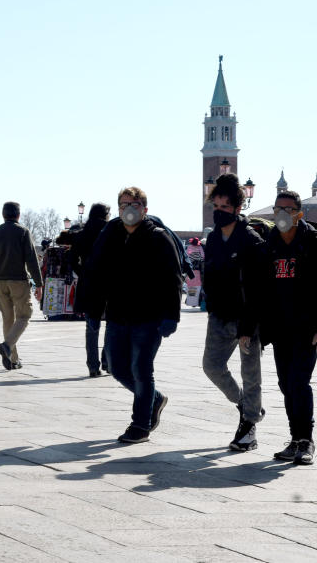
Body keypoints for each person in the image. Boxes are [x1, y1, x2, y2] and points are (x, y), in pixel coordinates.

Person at [79, 187, 180, 444]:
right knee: (115, 366)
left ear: (144, 209)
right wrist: (92, 308)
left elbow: (172, 279)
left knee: (141, 369)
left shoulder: (158, 237)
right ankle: (154, 399)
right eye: (124, 205)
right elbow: (96, 271)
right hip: (117, 314)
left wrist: (171, 316)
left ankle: (140, 425)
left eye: (134, 204)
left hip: (149, 316)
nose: (129, 209)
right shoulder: (110, 234)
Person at [259, 191, 317, 466]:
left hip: (308, 329)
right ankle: (295, 439)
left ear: (299, 213)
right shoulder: (270, 246)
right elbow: (262, 290)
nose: (282, 214)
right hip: (281, 329)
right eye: (278, 208)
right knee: (285, 384)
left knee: (298, 382)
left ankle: (306, 440)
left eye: (288, 209)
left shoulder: (316, 247)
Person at [201, 173, 266, 452]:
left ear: (238, 209)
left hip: (246, 317)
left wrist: (248, 326)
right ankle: (245, 405)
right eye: (215, 207)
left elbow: (258, 288)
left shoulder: (251, 241)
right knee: (211, 366)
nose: (218, 212)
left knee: (250, 372)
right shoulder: (213, 239)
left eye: (224, 208)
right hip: (219, 315)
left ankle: (249, 426)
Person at [0, 202, 44, 370]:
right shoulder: (23, 232)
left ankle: (12, 359)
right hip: (18, 280)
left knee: (7, 319)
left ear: (3, 215)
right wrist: (39, 284)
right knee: (25, 315)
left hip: (0, 281)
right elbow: (31, 259)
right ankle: (7, 346)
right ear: (18, 215)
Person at [72, 202, 111, 377]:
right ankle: (107, 362)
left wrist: (82, 272)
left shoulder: (82, 234)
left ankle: (93, 366)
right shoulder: (110, 230)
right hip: (110, 282)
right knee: (112, 324)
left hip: (89, 283)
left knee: (92, 327)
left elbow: (72, 259)